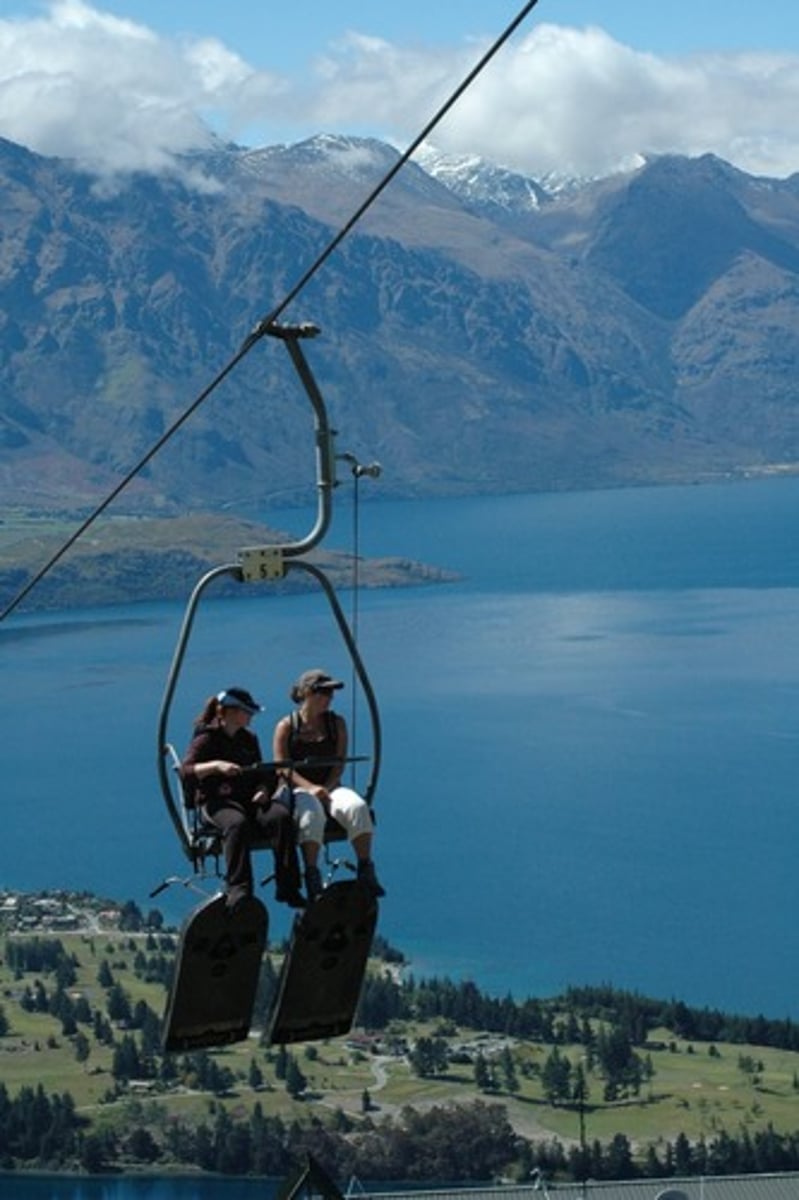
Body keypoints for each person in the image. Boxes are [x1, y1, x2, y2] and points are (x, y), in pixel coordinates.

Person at [181, 687, 304, 912]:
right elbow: (186, 770)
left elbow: (260, 772)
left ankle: (288, 886)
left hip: (249, 799)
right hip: (217, 802)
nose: (250, 716)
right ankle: (239, 887)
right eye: (247, 712)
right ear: (231, 712)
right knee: (236, 824)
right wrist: (216, 766)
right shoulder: (206, 738)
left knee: (280, 817)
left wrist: (263, 790)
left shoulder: (249, 739)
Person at [273, 667, 385, 902]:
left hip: (330, 786)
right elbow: (283, 767)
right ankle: (312, 874)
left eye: (330, 694)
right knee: (311, 814)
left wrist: (328, 786)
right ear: (307, 694)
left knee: (357, 807)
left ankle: (365, 868)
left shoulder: (337, 724)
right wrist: (311, 788)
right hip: (299, 789)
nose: (329, 699)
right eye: (323, 693)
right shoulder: (287, 726)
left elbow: (339, 762)